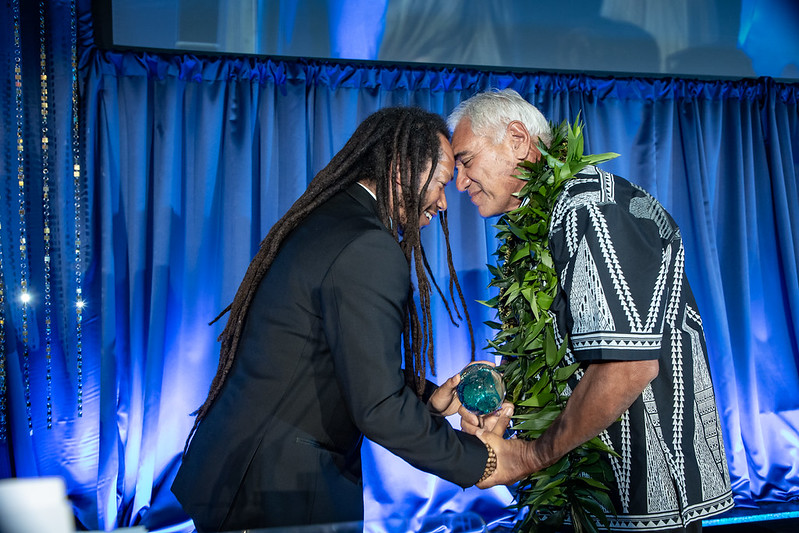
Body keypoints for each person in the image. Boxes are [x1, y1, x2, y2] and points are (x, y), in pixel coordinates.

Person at [170, 107, 508, 532]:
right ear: (402, 169)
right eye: (440, 184)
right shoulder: (369, 247)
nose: (443, 203)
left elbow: (336, 355)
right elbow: (379, 408)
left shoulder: (331, 217)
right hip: (279, 492)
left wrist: (426, 398)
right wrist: (486, 461)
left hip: (243, 471)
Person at [447, 89, 734, 532]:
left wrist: (529, 455)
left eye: (465, 161)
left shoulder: (589, 207)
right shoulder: (540, 223)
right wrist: (498, 398)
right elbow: (566, 353)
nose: (459, 181)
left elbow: (627, 367)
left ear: (519, 140)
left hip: (641, 495)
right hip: (587, 489)